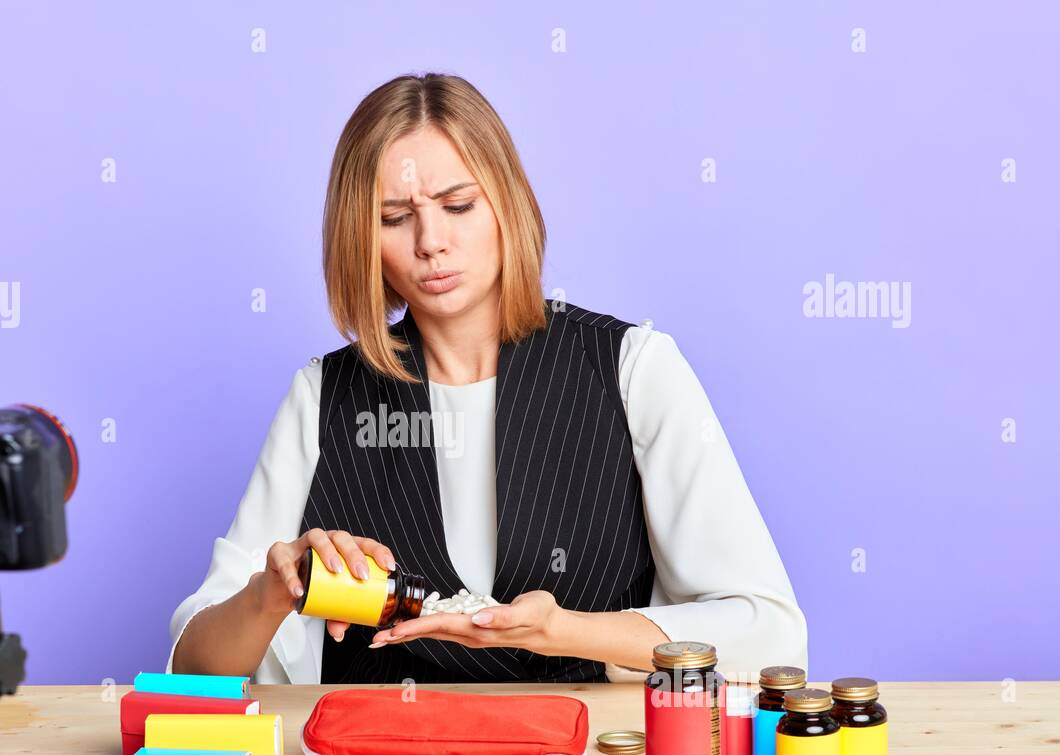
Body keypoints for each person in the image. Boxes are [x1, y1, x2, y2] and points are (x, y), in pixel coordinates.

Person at [169, 72, 807, 685]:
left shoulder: (633, 368)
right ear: (359, 238)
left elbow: (771, 632)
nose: (431, 241)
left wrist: (565, 631)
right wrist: (271, 595)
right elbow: (192, 668)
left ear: (510, 203)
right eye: (394, 218)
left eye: (458, 205)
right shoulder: (321, 397)